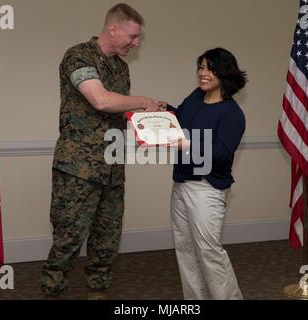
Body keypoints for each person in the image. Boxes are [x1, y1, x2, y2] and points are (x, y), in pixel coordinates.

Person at [41, 3, 163, 299]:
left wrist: (157, 121)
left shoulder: (120, 68)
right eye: (132, 37)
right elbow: (101, 101)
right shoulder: (79, 55)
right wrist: (144, 100)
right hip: (78, 169)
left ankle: (98, 292)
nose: (135, 44)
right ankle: (52, 291)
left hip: (112, 167)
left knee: (107, 240)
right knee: (68, 238)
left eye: (137, 39)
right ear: (113, 28)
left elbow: (118, 114)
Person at [167, 47, 247, 300]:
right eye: (201, 67)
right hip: (181, 184)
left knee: (209, 252)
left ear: (224, 74)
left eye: (210, 68)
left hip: (207, 189)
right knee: (185, 249)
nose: (203, 73)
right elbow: (179, 117)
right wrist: (163, 109)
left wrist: (188, 143)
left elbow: (223, 151)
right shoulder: (195, 97)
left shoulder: (233, 113)